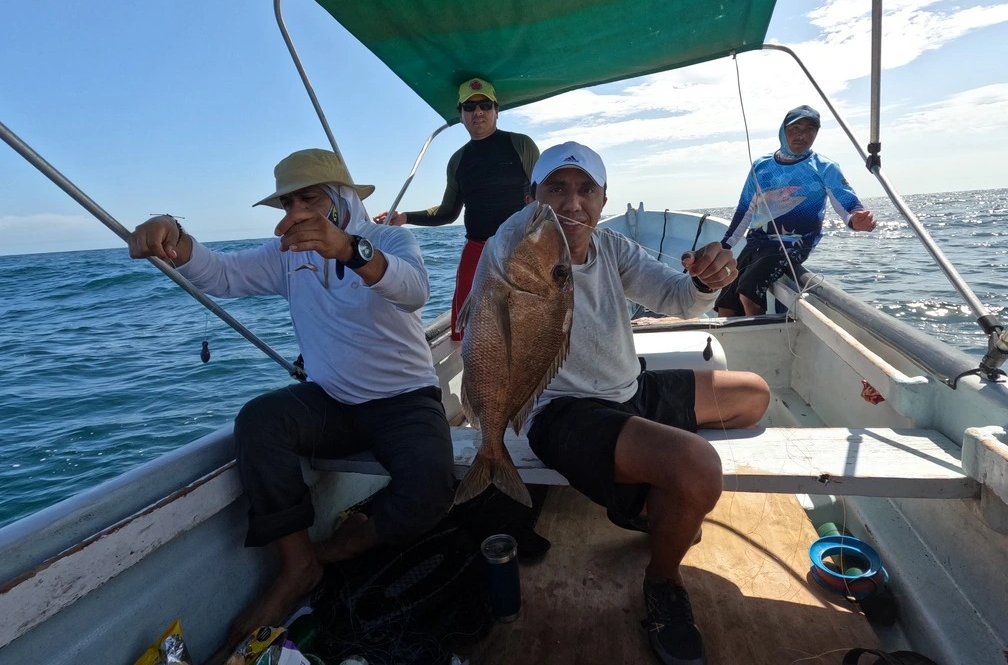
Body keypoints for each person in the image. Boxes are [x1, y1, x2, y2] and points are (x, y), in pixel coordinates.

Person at [127, 148, 455, 646]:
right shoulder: (289, 255)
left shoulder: (389, 238)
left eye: (311, 198)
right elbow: (224, 274)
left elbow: (414, 291)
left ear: (343, 198)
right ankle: (298, 565)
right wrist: (174, 231)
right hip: (332, 401)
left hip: (405, 399)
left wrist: (348, 249)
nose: (298, 211)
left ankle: (332, 552)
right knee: (260, 421)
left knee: (430, 489)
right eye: (289, 203)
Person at [517, 141, 770, 665]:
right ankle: (662, 581)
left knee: (753, 396)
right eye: (556, 189)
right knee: (698, 467)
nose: (572, 203)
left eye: (586, 190)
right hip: (562, 413)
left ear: (604, 201)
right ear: (532, 199)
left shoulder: (613, 249)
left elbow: (679, 297)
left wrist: (705, 278)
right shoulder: (515, 255)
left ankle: (651, 506)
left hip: (629, 389)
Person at [374, 77, 540, 340]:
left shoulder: (522, 145)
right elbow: (448, 212)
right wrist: (405, 216)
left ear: (497, 110)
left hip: (521, 249)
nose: (478, 112)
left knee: (529, 325)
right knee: (467, 332)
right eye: (469, 107)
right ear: (460, 115)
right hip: (476, 251)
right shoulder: (458, 160)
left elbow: (543, 200)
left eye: (485, 105)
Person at [715, 105, 877, 317]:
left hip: (793, 244)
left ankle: (761, 344)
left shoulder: (824, 167)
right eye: (795, 128)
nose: (802, 135)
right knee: (726, 300)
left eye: (810, 129)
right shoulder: (761, 166)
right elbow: (745, 208)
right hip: (756, 243)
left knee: (748, 291)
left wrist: (856, 219)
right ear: (783, 130)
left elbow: (846, 202)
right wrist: (726, 244)